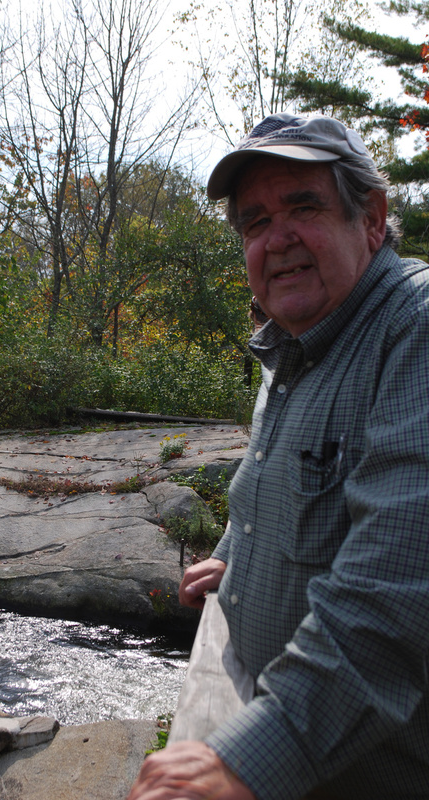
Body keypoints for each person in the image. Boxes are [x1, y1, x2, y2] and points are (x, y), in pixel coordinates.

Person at [127, 112, 429, 800]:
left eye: (303, 206)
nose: (278, 238)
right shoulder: (295, 345)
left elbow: (399, 594)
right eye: (255, 221)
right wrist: (238, 549)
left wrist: (251, 757)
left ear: (373, 219)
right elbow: (284, 474)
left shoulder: (415, 327)